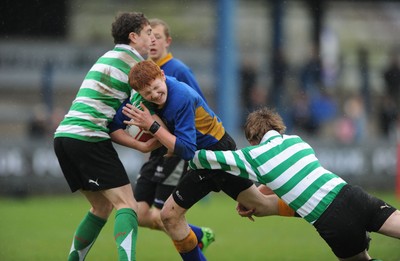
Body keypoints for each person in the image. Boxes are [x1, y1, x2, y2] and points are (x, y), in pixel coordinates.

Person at [121, 60, 295, 261]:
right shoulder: (147, 96)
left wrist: (152, 127)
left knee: (260, 206)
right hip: (204, 160)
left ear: (162, 74)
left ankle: (312, 204)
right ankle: (308, 202)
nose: (154, 95)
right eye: (147, 93)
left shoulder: (181, 97)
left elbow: (186, 150)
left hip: (217, 154)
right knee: (170, 215)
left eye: (155, 88)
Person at [189, 107, 400, 261]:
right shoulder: (297, 141)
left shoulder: (252, 155)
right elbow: (288, 176)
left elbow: (205, 158)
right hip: (352, 195)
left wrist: (179, 148)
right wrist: (262, 190)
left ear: (253, 138)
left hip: (331, 220)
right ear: (278, 127)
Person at [53, 12, 157, 261]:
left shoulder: (108, 57)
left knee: (101, 207)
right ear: (133, 37)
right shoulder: (137, 67)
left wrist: (138, 146)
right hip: (88, 137)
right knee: (128, 205)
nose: (153, 38)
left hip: (64, 137)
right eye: (148, 33)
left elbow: (110, 124)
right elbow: (146, 111)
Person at [109, 18, 215, 252]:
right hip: (156, 150)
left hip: (174, 151)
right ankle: (198, 234)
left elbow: (196, 106)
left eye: (157, 37)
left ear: (167, 41)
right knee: (140, 213)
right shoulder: (139, 72)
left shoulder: (177, 70)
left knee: (165, 215)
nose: (153, 41)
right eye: (150, 36)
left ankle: (196, 241)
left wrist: (167, 136)